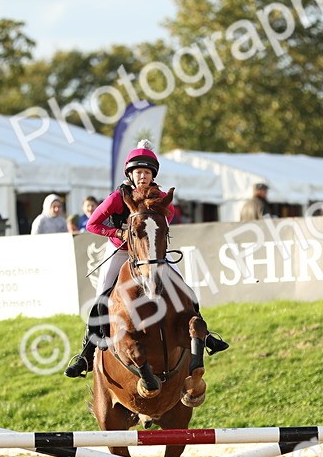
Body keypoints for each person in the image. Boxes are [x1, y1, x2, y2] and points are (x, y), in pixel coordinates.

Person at [64, 140, 228, 378]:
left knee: (184, 288)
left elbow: (168, 216)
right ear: (130, 175)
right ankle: (87, 353)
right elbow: (92, 224)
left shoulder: (160, 196)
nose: (143, 177)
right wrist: (119, 233)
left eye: (147, 173)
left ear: (153, 176)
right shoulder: (117, 198)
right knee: (101, 296)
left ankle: (205, 334)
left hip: (150, 254)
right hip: (121, 250)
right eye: (138, 172)